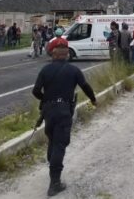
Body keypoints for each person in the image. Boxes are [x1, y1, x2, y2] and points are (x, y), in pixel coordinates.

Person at [32, 39, 97, 197]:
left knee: (53, 140)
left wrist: (46, 98)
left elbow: (35, 91)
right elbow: (86, 86)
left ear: (53, 55)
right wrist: (93, 99)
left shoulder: (45, 69)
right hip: (63, 111)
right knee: (60, 145)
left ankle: (52, 165)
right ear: (66, 55)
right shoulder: (73, 70)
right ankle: (54, 184)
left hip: (48, 111)